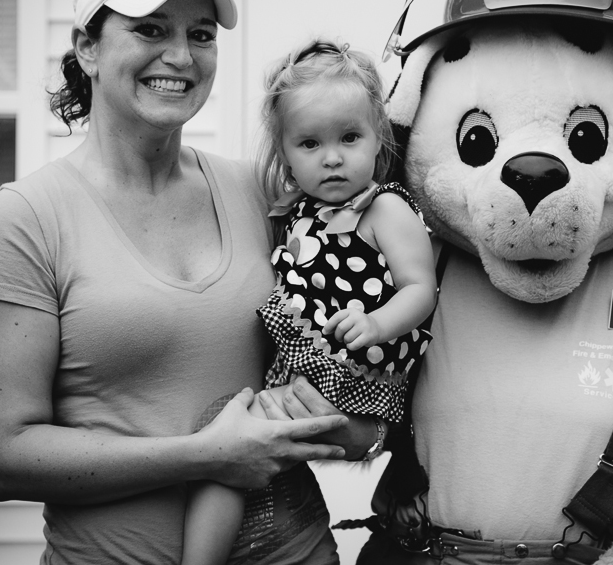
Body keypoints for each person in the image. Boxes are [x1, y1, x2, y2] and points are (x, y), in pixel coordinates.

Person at [0, 0, 381, 565]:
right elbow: (4, 458)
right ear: (88, 48)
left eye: (201, 34)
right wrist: (207, 457)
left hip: (300, 551)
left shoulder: (261, 193)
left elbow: (366, 332)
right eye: (151, 30)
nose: (181, 56)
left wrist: (351, 425)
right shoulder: (26, 219)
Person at [182, 39, 438, 565]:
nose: (333, 157)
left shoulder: (383, 209)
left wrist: (377, 321)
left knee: (227, 447)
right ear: (285, 155)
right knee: (229, 447)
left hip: (358, 377)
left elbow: (421, 289)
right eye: (310, 144)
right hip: (309, 373)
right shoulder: (299, 211)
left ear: (378, 138)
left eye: (349, 137)